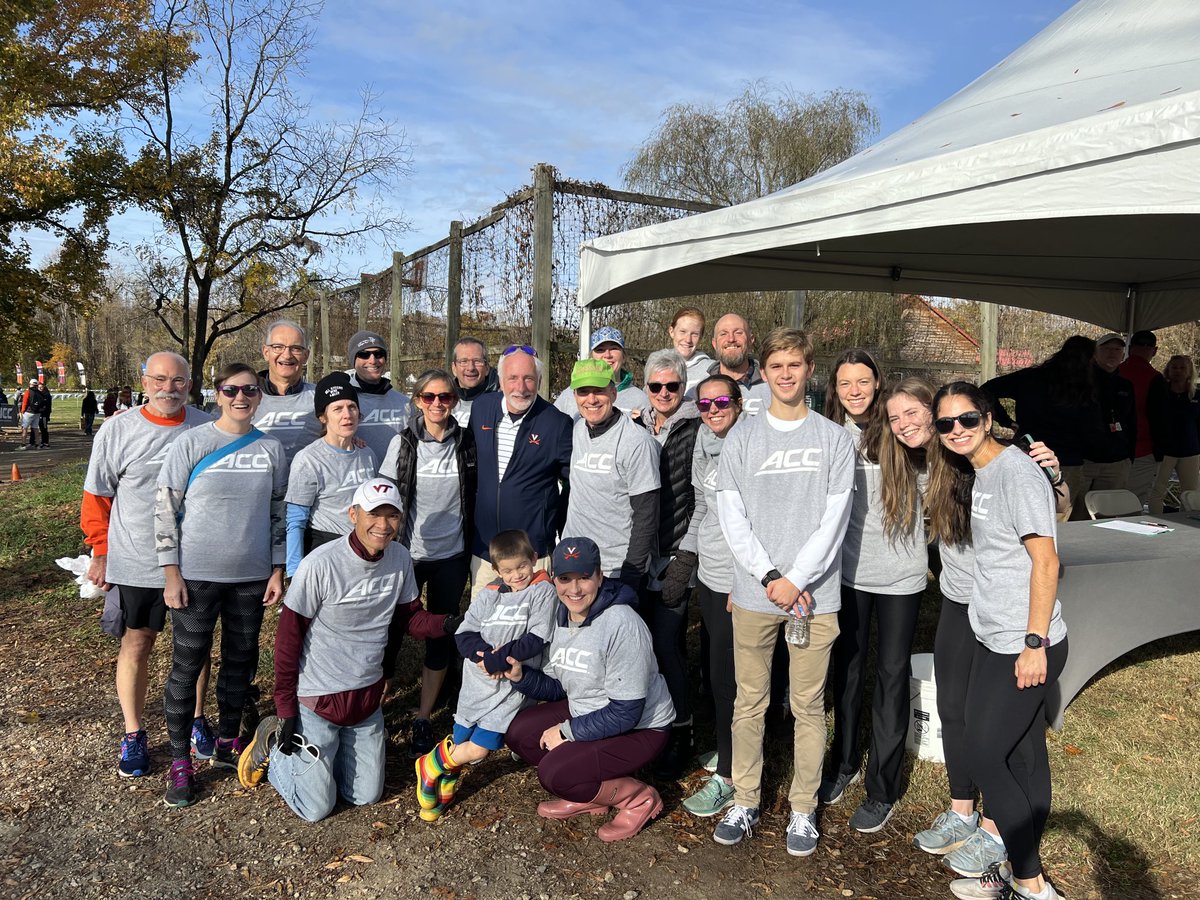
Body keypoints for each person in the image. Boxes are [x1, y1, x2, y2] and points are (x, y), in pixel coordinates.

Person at [236, 476, 462, 822]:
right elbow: (287, 640)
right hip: (318, 698)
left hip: (365, 700)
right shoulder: (321, 564)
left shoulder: (399, 558)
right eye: (374, 514)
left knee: (366, 795)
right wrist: (285, 708)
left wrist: (449, 624)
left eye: (392, 516)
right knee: (316, 808)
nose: (383, 526)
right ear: (353, 513)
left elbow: (411, 620)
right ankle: (273, 747)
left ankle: (329, 755)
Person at [711, 327, 855, 858]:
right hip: (755, 595)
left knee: (808, 705)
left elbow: (834, 519)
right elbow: (732, 515)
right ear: (763, 373)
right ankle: (745, 799)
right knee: (749, 702)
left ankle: (802, 809)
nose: (786, 375)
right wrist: (771, 578)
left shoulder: (834, 439)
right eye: (776, 367)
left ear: (808, 369)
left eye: (794, 365)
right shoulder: (742, 439)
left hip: (814, 597)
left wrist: (797, 578)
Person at [928, 382, 1069, 900]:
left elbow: (1046, 560)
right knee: (1025, 751)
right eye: (946, 425)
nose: (957, 431)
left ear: (988, 419)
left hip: (1025, 641)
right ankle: (1016, 865)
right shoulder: (982, 472)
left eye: (967, 420)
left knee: (987, 757)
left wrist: (1034, 642)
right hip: (994, 635)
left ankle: (1029, 884)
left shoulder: (1013, 471)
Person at [154, 362, 288, 807]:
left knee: (239, 662)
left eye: (250, 389)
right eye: (231, 390)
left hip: (250, 578)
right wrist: (170, 571)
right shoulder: (191, 443)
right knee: (186, 666)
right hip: (195, 578)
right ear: (217, 393)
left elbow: (278, 513)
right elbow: (165, 511)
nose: (240, 397)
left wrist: (276, 568)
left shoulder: (271, 449)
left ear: (259, 395)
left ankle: (228, 743)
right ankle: (180, 761)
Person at [82, 352, 213, 778]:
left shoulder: (206, 425)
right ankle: (134, 732)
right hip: (138, 560)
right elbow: (97, 497)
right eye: (159, 380)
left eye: (177, 381)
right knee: (138, 643)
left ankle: (195, 720)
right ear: (144, 381)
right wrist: (100, 551)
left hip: (195, 559)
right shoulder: (119, 429)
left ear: (189, 384)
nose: (168, 389)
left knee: (195, 647)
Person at [502, 536, 675, 842]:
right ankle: (590, 793)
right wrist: (520, 676)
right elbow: (559, 686)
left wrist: (567, 732)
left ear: (599, 576)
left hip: (642, 728)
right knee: (519, 734)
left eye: (584, 577)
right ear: (554, 579)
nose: (575, 589)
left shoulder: (622, 623)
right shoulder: (559, 616)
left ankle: (637, 799)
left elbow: (627, 713)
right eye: (565, 579)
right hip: (589, 708)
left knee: (555, 773)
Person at [820, 350, 927, 834]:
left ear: (877, 383)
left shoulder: (900, 432)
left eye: (863, 381)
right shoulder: (827, 434)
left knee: (890, 677)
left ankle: (882, 787)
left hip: (901, 577)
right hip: (847, 575)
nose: (855, 391)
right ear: (835, 389)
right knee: (847, 672)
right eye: (845, 383)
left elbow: (950, 457)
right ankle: (844, 763)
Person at [414, 529, 558, 821]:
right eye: (508, 570)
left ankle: (431, 764)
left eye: (522, 566)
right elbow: (465, 632)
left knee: (480, 749)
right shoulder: (490, 593)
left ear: (534, 559)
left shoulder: (543, 590)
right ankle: (447, 778)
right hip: (478, 680)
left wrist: (499, 659)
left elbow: (538, 636)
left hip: (508, 685)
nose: (517, 575)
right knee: (462, 735)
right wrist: (482, 655)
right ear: (496, 570)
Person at [378, 368, 477, 756]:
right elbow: (387, 496)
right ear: (418, 401)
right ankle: (376, 711)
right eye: (429, 397)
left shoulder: (467, 443)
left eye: (446, 397)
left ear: (454, 401)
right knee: (390, 632)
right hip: (408, 554)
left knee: (440, 631)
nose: (437, 404)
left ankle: (422, 716)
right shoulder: (403, 444)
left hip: (452, 555)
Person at [632, 348, 701, 777]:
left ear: (683, 387)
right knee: (644, 645)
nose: (663, 392)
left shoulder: (696, 431)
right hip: (640, 551)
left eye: (671, 386)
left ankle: (682, 729)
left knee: (668, 643)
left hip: (676, 551)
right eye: (655, 386)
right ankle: (648, 726)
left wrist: (687, 555)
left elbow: (704, 500)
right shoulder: (636, 425)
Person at [679, 373, 743, 817]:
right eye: (704, 404)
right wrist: (686, 555)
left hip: (741, 581)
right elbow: (703, 507)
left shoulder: (748, 445)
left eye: (721, 401)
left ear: (738, 403)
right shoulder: (704, 441)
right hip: (712, 572)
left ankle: (733, 774)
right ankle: (728, 751)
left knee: (732, 677)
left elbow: (761, 520)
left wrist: (746, 581)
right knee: (718, 672)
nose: (713, 409)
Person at [468, 345, 572, 593]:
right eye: (513, 378)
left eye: (528, 379)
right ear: (501, 381)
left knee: (532, 626)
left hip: (532, 555)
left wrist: (553, 528)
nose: (521, 387)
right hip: (486, 553)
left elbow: (573, 485)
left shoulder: (557, 423)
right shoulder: (482, 408)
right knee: (485, 625)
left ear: (539, 381)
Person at [562, 359, 660, 585]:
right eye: (583, 392)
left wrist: (631, 574)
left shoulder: (636, 442)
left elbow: (646, 515)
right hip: (575, 559)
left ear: (613, 393)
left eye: (599, 391)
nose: (591, 399)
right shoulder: (578, 429)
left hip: (615, 568)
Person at [983, 335, 1096, 520]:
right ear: (1089, 359)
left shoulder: (1030, 377)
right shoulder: (1084, 387)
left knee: (1025, 515)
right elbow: (1090, 427)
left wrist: (1006, 421)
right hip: (1066, 460)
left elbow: (987, 390)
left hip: (1029, 452)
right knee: (1058, 518)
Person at [284, 372, 378, 577]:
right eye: (337, 409)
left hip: (364, 550)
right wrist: (294, 572)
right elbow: (295, 521)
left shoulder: (367, 454)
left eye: (352, 407)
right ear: (323, 417)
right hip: (326, 552)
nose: (347, 414)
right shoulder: (309, 459)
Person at [1072, 333, 1136, 518]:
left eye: (1117, 349)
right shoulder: (1080, 382)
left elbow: (1132, 422)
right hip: (1085, 462)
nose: (1112, 353)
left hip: (1117, 463)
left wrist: (1129, 455)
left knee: (1108, 517)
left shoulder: (1125, 385)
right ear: (1095, 353)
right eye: (1107, 349)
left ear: (1123, 354)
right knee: (1077, 515)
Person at [253, 319, 321, 463]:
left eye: (295, 348)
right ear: (266, 352)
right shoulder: (243, 397)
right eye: (278, 347)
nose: (287, 355)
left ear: (306, 355)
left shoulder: (320, 397)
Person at [345, 330, 413, 465]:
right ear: (353, 360)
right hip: (357, 478)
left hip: (395, 480)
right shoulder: (343, 402)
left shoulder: (404, 403)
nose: (373, 360)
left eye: (378, 354)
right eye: (364, 354)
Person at [1118, 330, 1168, 506]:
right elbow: (1159, 418)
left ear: (1130, 349)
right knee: (1133, 501)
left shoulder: (1115, 372)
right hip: (1143, 448)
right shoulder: (1155, 378)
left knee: (1105, 501)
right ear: (1154, 351)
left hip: (1112, 448)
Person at [554, 327, 648, 419]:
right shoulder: (569, 395)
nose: (607, 355)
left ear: (623, 356)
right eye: (600, 350)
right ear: (591, 357)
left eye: (613, 348)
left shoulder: (640, 399)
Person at [1148, 354, 1200, 515]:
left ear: (1190, 371)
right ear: (1168, 370)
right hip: (1165, 451)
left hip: (1190, 451)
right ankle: (1155, 521)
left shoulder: (1196, 394)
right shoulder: (1161, 392)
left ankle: (1185, 524)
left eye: (1182, 368)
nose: (1178, 371)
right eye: (1174, 367)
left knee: (1190, 493)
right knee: (1157, 490)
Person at [450, 337, 499, 427]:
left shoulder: (501, 403)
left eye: (477, 361)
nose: (471, 368)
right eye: (463, 361)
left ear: (487, 368)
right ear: (454, 368)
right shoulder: (441, 400)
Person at [707, 313, 763, 388]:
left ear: (751, 340)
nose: (731, 339)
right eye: (723, 334)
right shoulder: (700, 387)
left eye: (738, 333)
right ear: (714, 344)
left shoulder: (772, 385)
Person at [667, 306, 713, 393]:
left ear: (701, 338)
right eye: (682, 332)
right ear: (671, 331)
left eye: (695, 334)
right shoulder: (657, 366)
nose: (688, 340)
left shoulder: (712, 371)